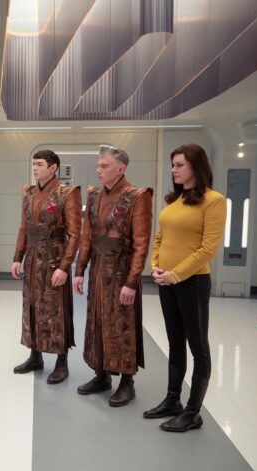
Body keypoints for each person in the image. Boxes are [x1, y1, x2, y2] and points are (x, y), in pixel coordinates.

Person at [144, 144, 227, 432]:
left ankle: (193, 413)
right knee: (175, 343)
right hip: (166, 281)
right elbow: (160, 238)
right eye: (173, 165)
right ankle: (172, 401)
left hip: (192, 283)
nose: (174, 170)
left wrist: (176, 274)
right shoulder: (174, 201)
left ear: (196, 166)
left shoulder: (214, 201)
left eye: (180, 165)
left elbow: (208, 249)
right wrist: (156, 266)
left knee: (198, 347)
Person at [73, 145, 153, 407]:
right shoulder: (94, 195)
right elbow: (86, 236)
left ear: (121, 169)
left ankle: (127, 382)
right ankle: (102, 374)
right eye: (98, 165)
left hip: (121, 271)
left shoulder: (137, 196)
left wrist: (132, 282)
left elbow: (141, 243)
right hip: (98, 269)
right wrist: (79, 271)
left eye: (104, 166)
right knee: (96, 320)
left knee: (122, 323)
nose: (99, 170)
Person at [10, 150, 82, 384]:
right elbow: (24, 227)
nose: (35, 168)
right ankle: (35, 355)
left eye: (39, 164)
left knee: (57, 308)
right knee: (31, 304)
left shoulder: (67, 193)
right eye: (34, 164)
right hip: (32, 258)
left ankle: (62, 362)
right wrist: (17, 257)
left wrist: (64, 266)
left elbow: (75, 234)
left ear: (53, 168)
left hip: (54, 259)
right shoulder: (29, 192)